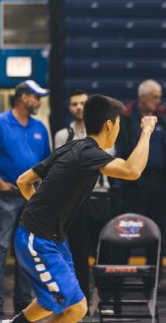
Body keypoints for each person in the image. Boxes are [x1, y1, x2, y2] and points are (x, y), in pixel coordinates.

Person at [0, 94, 157, 323]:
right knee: (76, 308)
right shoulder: (88, 154)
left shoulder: (72, 147)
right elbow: (132, 170)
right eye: (118, 124)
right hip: (38, 238)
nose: (119, 129)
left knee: (51, 303)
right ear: (109, 125)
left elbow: (23, 180)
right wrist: (147, 131)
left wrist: (42, 209)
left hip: (52, 237)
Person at [0, 80, 51, 315]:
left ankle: (22, 300)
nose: (39, 102)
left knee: (26, 249)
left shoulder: (39, 127)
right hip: (6, 195)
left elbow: (45, 163)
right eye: (36, 97)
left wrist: (40, 190)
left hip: (30, 198)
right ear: (23, 97)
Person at [53, 89, 114, 308]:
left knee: (105, 251)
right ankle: (82, 301)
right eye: (74, 104)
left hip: (100, 197)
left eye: (82, 103)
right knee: (77, 252)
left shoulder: (105, 131)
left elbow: (111, 164)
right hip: (75, 201)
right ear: (69, 108)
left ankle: (106, 300)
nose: (79, 107)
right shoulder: (63, 135)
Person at [116, 79, 166, 264]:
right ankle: (120, 281)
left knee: (157, 233)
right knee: (128, 231)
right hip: (134, 182)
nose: (158, 101)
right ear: (143, 97)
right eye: (155, 97)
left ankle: (153, 280)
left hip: (159, 183)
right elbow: (121, 148)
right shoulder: (126, 118)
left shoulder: (162, 119)